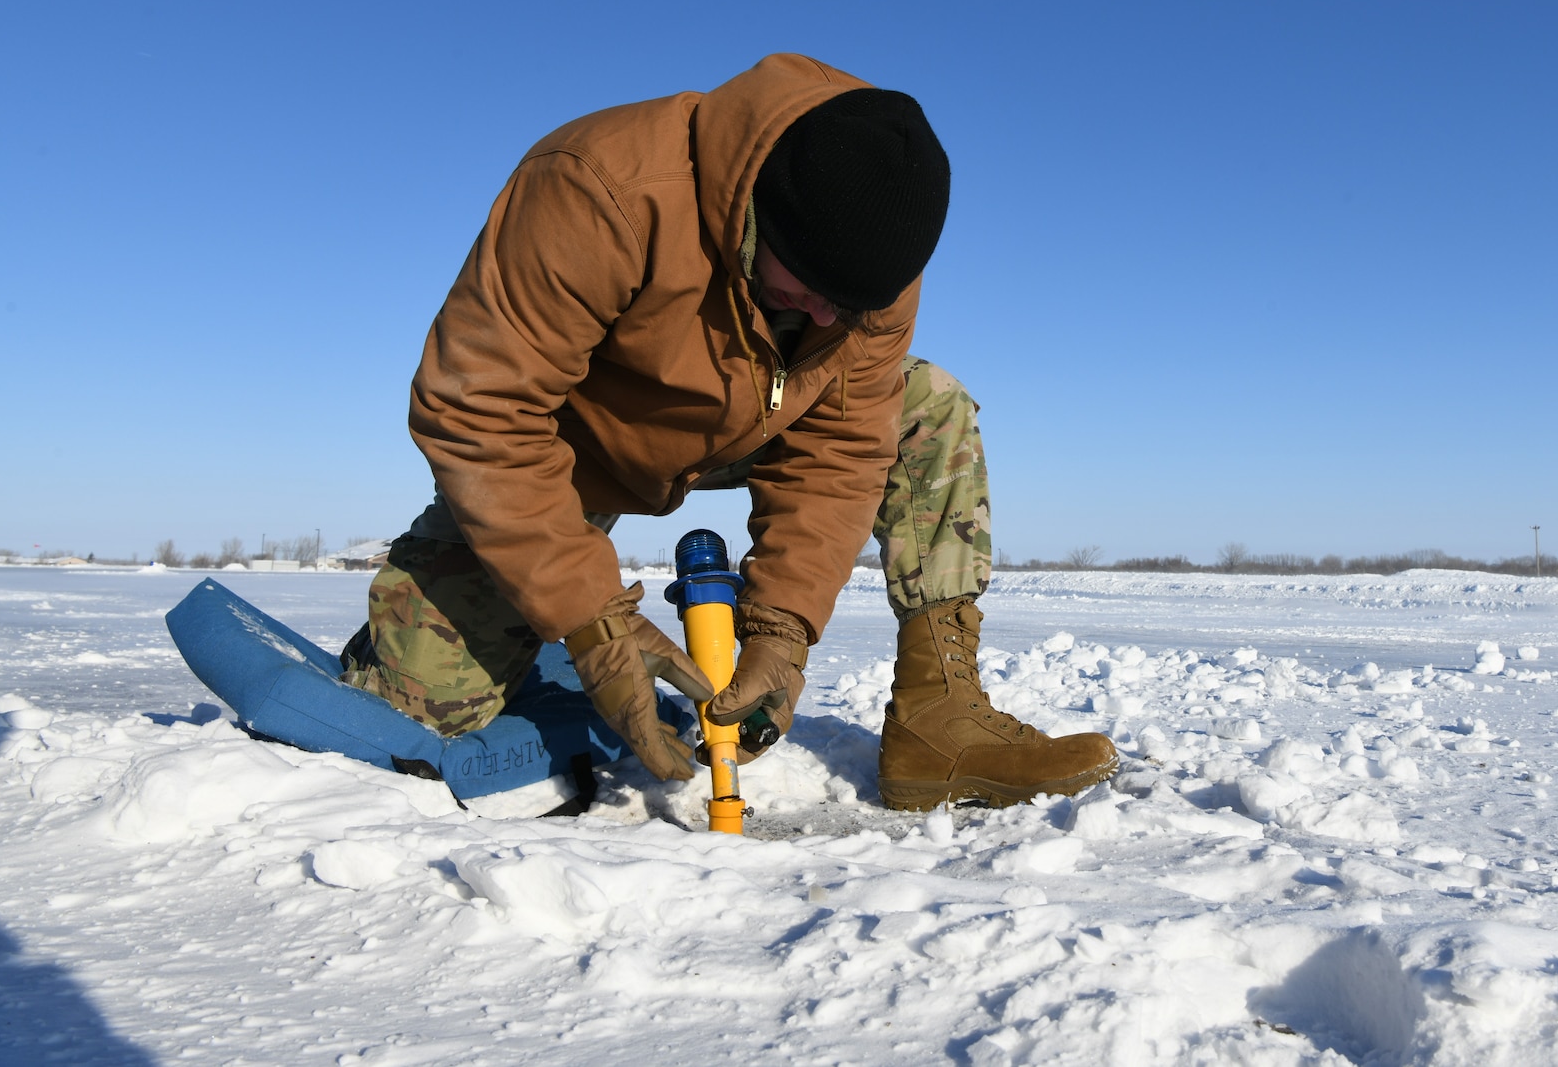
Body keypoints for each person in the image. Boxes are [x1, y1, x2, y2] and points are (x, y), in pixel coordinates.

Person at [337, 53, 1116, 812]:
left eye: (846, 309)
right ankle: (490, 627)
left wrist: (782, 629)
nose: (821, 319)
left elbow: (843, 447)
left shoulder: (871, 265)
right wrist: (591, 618)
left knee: (928, 405)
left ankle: (939, 720)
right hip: (572, 454)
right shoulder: (600, 186)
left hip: (749, 426)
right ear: (761, 212)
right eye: (805, 289)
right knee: (422, 708)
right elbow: (480, 406)